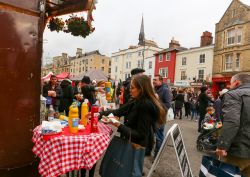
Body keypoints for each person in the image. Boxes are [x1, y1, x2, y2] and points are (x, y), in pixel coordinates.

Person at [100, 75, 166, 176]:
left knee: (129, 171)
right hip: (131, 142)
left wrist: (117, 124)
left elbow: (140, 135)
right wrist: (98, 114)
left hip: (137, 146)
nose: (130, 90)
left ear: (141, 89)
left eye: (132, 88)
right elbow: (119, 111)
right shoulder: (136, 100)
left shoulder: (145, 105)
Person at [216, 73, 250, 177]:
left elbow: (232, 122)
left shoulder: (233, 94)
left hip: (239, 151)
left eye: (230, 84)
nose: (229, 87)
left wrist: (222, 146)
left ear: (236, 82)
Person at [152, 75, 171, 158]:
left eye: (155, 80)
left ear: (161, 81)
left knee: (159, 137)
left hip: (160, 118)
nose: (153, 81)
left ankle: (157, 156)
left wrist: (157, 100)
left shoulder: (165, 90)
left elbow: (168, 105)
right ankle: (152, 152)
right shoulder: (154, 89)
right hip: (153, 116)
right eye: (153, 79)